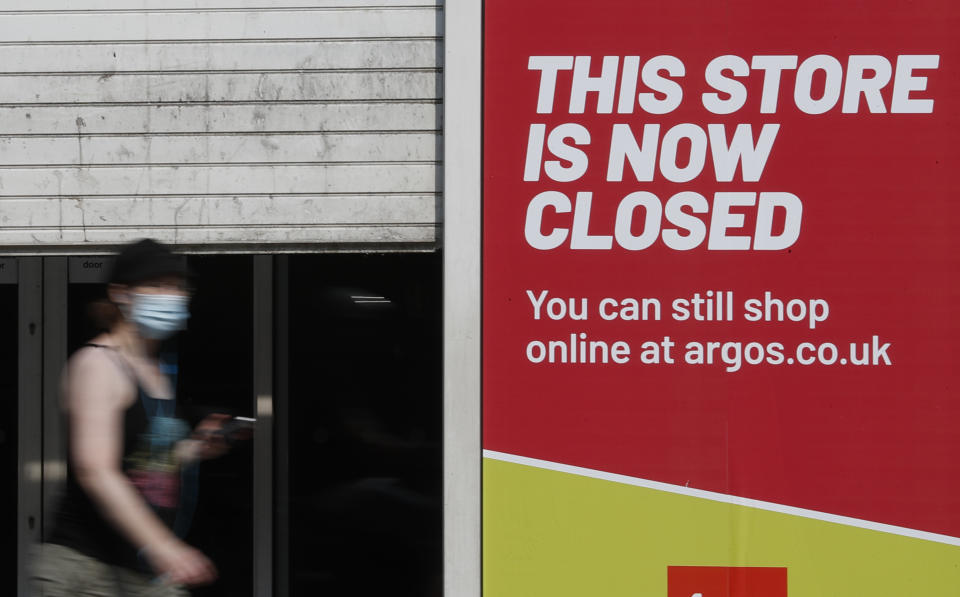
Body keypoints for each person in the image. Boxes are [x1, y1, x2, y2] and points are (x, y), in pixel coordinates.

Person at [33, 238, 230, 596]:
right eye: (157, 285)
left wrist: (196, 449)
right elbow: (96, 470)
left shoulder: (156, 372)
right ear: (121, 293)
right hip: (84, 570)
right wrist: (163, 546)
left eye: (177, 287)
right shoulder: (97, 364)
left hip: (142, 571)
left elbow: (141, 463)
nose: (170, 295)